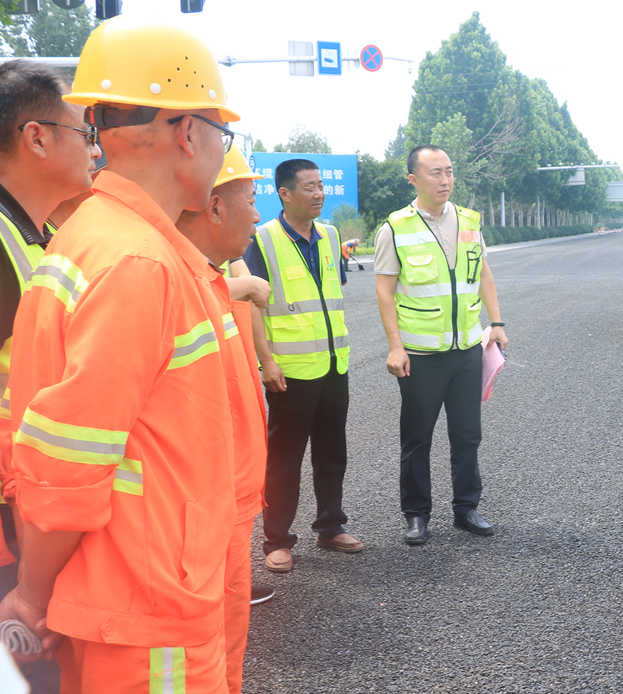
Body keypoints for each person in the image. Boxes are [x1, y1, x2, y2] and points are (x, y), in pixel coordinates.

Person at [0, 17, 245, 691]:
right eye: (222, 133)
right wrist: (33, 593)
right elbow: (70, 460)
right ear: (187, 132)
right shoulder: (139, 261)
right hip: (148, 606)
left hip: (134, 587)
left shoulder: (100, 238)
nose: (221, 150)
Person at [0, 58, 102, 692]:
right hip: (0, 520)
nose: (95, 150)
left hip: (29, 504)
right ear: (36, 137)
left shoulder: (42, 232)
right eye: (85, 133)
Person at [374, 144, 508, 545]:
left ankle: (467, 508)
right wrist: (395, 347)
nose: (445, 179)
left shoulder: (469, 220)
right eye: (435, 172)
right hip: (421, 356)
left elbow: (483, 274)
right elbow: (384, 292)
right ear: (413, 179)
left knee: (467, 434)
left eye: (449, 171)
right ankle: (416, 514)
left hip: (467, 350)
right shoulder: (395, 228)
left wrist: (496, 322)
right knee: (417, 438)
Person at [174, 147, 269, 693]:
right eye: (250, 200)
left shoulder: (210, 277)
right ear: (214, 207)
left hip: (230, 498)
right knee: (208, 645)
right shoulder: (178, 283)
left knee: (229, 637)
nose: (257, 214)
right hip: (205, 510)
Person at [244, 158, 361, 573]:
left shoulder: (330, 236)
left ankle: (330, 526)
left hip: (333, 364)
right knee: (284, 459)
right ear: (285, 193)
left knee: (332, 452)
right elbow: (252, 306)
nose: (319, 194)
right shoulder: (261, 240)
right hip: (289, 371)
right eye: (309, 187)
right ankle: (276, 540)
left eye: (321, 186)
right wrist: (266, 361)